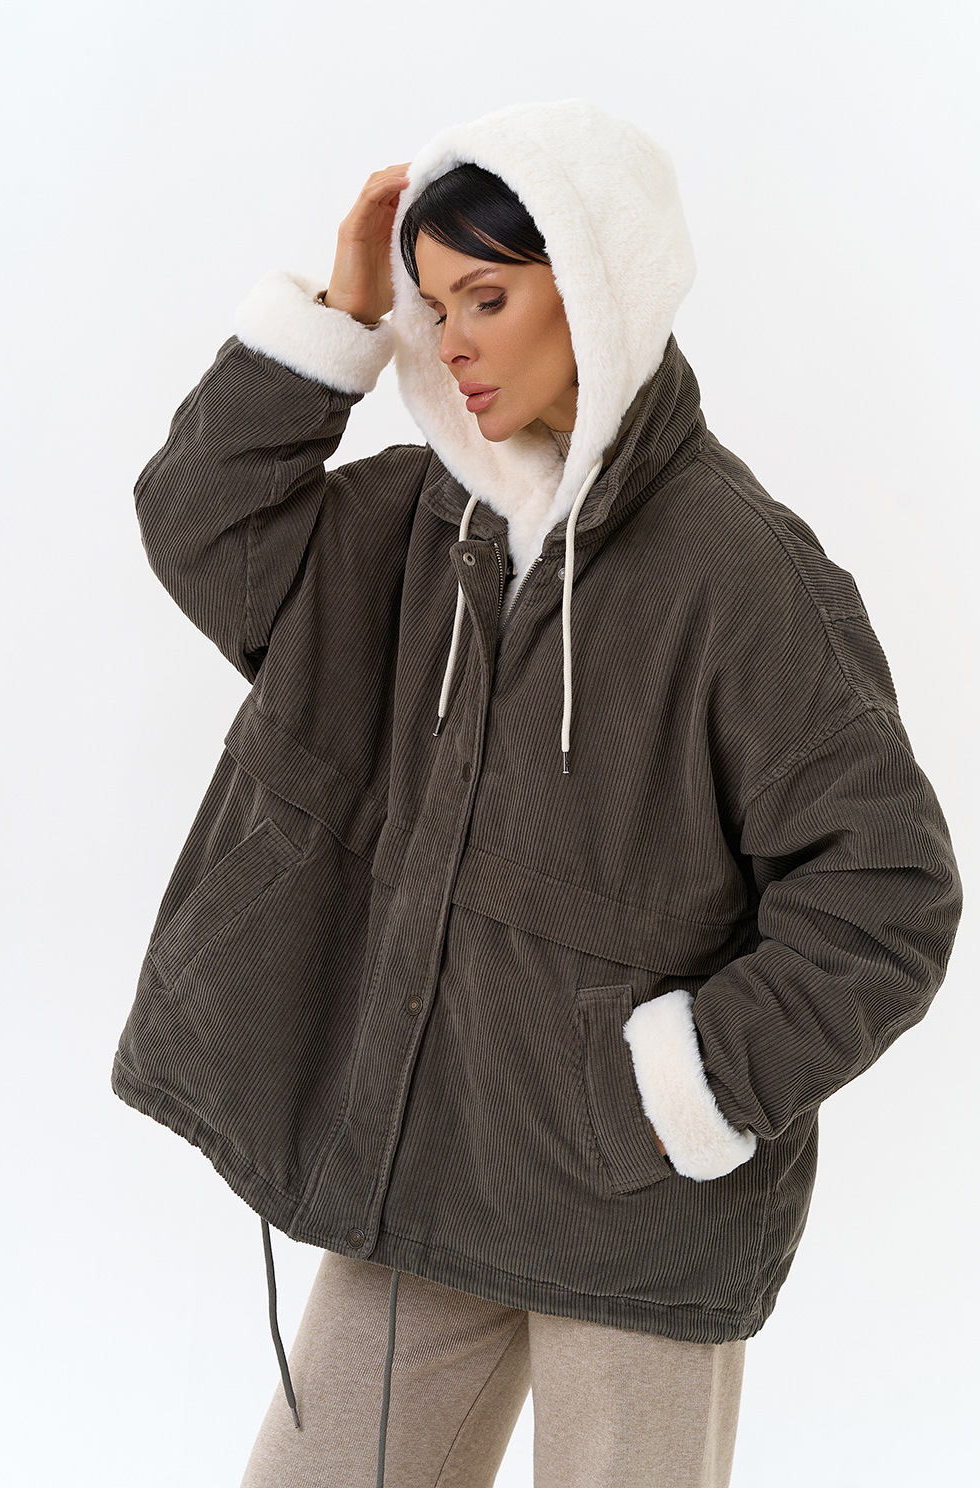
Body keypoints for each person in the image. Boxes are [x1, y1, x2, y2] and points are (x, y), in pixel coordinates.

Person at [112, 101, 961, 1488]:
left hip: (634, 1213)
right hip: (419, 1172)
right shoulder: (410, 524)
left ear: (599, 287)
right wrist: (341, 313)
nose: (448, 339)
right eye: (434, 302)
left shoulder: (742, 577)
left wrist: (683, 1089)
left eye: (489, 297)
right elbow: (202, 523)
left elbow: (890, 895)